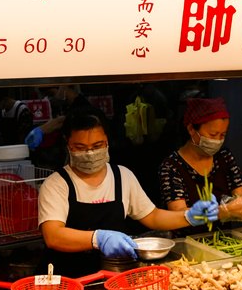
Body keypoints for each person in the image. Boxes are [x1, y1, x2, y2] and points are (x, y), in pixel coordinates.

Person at [38, 107, 219, 277]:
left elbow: (153, 216)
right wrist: (98, 238)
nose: (90, 153)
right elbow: (53, 235)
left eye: (97, 145)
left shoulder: (123, 176)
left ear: (107, 141)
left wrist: (188, 216)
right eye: (80, 148)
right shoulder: (56, 184)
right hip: (69, 281)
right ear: (67, 144)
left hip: (115, 276)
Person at [158, 97, 242, 225]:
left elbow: (240, 196)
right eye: (212, 134)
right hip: (188, 239)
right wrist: (223, 211)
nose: (217, 140)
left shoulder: (224, 156)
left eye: (222, 135)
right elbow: (178, 212)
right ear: (191, 129)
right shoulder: (171, 166)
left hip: (224, 237)